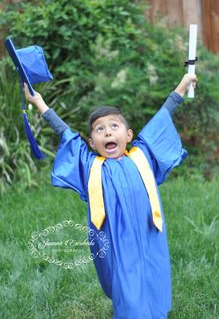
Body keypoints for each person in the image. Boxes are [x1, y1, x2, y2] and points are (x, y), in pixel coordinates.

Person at [24, 73, 197, 319]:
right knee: (126, 290)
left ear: (128, 135)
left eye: (114, 126)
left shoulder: (142, 155)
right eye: (99, 129)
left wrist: (181, 86)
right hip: (115, 241)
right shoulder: (92, 166)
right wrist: (40, 103)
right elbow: (66, 135)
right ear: (92, 143)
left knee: (154, 280)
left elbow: (162, 117)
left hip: (150, 235)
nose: (107, 133)